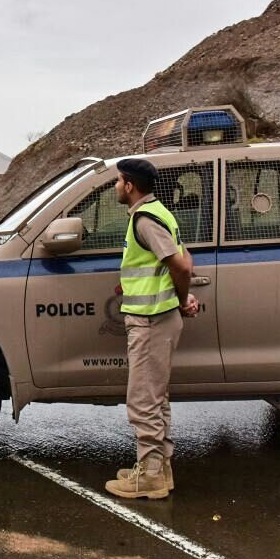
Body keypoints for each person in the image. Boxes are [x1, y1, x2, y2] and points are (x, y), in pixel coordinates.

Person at [104, 158, 200, 500]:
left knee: (143, 399)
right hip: (159, 317)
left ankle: (150, 477)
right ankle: (159, 468)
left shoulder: (145, 221)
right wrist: (181, 298)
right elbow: (182, 259)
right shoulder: (160, 212)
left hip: (151, 321)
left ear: (129, 185)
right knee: (156, 397)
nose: (116, 186)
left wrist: (183, 296)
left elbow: (180, 266)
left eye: (118, 181)